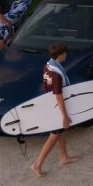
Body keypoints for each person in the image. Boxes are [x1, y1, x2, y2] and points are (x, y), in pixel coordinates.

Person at [31, 42, 79, 177]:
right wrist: (64, 116)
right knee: (53, 136)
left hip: (50, 104)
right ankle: (37, 164)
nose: (66, 55)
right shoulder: (57, 75)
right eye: (65, 53)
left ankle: (64, 157)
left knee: (60, 133)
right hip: (57, 107)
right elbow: (58, 96)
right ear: (60, 55)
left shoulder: (48, 66)